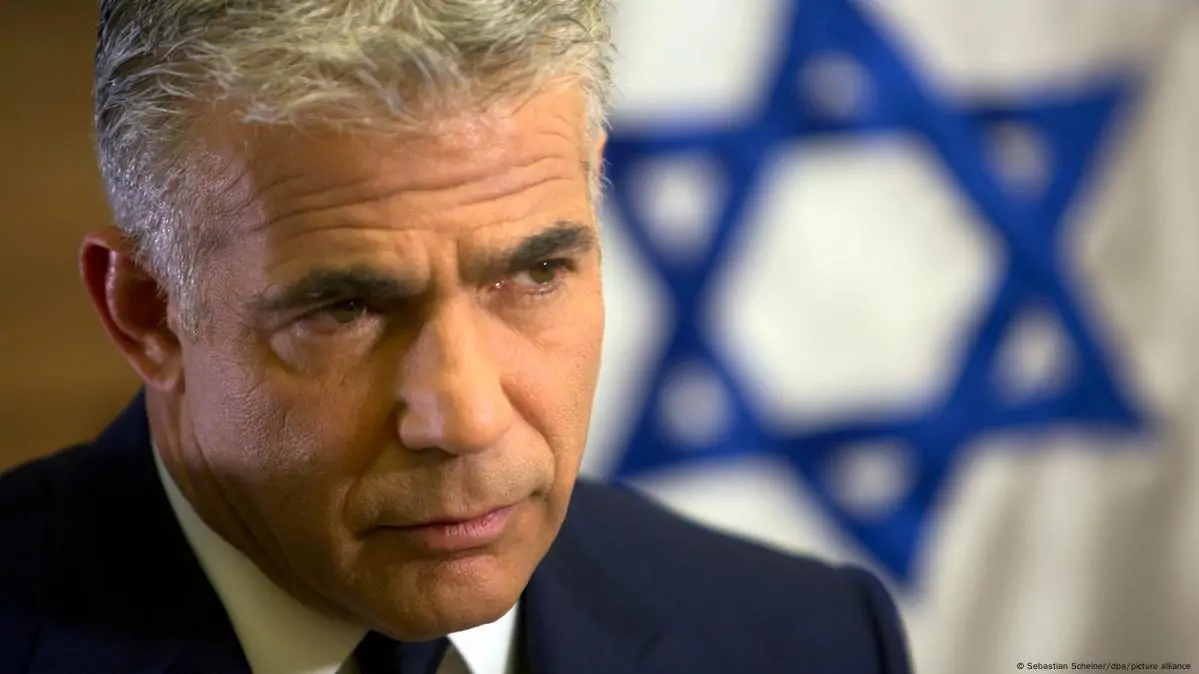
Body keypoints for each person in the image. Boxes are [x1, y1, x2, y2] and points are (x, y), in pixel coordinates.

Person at [0, 1, 913, 672]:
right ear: (148, 312)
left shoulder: (809, 638)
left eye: (537, 271)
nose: (468, 419)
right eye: (345, 309)